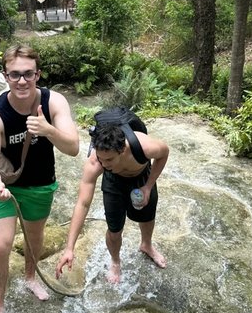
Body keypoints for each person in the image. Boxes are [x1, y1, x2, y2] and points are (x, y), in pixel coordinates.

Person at [0, 44, 79, 313]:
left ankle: (30, 277)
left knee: (35, 237)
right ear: (5, 76)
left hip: (40, 184)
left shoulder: (54, 102)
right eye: (14, 75)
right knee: (1, 245)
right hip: (4, 187)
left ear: (38, 74)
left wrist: (48, 130)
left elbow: (73, 148)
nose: (22, 81)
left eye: (28, 74)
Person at [55, 120, 169, 285]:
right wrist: (69, 248)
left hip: (142, 177)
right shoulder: (96, 163)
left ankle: (147, 245)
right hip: (114, 183)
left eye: (109, 159)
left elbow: (164, 153)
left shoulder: (144, 147)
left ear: (122, 150)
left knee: (147, 215)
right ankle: (115, 261)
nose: (104, 164)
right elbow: (83, 204)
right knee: (114, 230)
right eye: (101, 159)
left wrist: (148, 187)